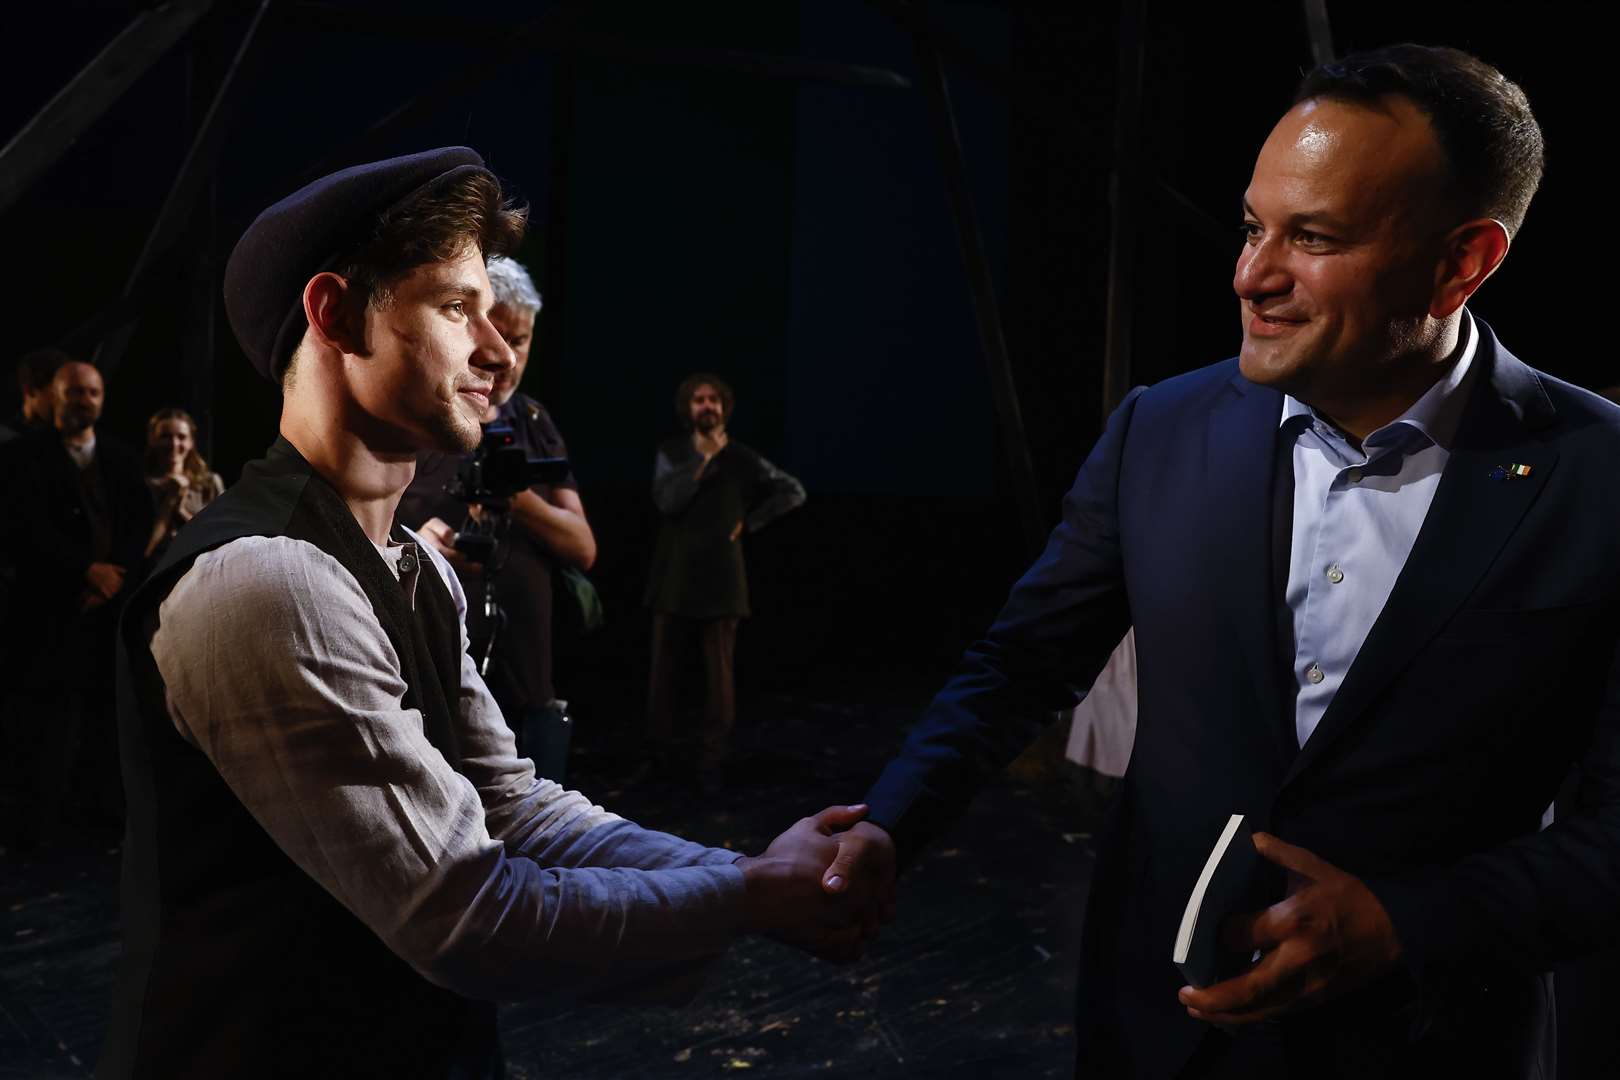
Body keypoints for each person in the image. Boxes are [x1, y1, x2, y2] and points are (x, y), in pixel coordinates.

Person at [821, 45, 1619, 1078]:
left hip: (1433, 1040)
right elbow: (1022, 665)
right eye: (1254, 226)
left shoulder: (1598, 478)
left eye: (1313, 238)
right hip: (1155, 1031)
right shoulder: (1161, 428)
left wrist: (1402, 923)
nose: (1251, 274)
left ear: (1463, 262)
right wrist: (891, 824)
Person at [101, 148, 872, 1080]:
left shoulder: (416, 570)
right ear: (334, 312)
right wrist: (752, 894)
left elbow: (508, 807)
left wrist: (749, 876)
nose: (499, 352)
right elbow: (469, 915)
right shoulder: (266, 582)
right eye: (456, 307)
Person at [401, 255, 594, 776]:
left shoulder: (533, 422)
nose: (506, 356)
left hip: (526, 672)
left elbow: (583, 547)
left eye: (522, 340)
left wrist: (516, 498)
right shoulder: (426, 416)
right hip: (431, 671)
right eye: (495, 334)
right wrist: (414, 545)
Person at [0, 359, 151, 850]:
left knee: (106, 714)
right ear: (53, 397)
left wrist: (112, 578)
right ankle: (37, 827)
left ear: (101, 399)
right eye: (73, 392)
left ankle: (100, 818)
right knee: (45, 720)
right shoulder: (22, 457)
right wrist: (83, 570)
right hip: (48, 607)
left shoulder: (122, 458)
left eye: (91, 392)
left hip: (110, 606)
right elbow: (21, 526)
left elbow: (138, 524)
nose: (82, 400)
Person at [644, 373, 805, 788]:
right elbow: (667, 500)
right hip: (675, 574)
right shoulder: (674, 452)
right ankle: (662, 755)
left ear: (724, 406)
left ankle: (711, 761)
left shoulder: (742, 457)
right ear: (688, 408)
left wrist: (750, 523)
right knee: (666, 671)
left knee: (719, 674)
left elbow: (792, 491)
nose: (707, 406)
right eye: (699, 400)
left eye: (713, 400)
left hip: (723, 576)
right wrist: (701, 463)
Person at [142, 407, 225, 560]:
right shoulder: (142, 485)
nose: (174, 444)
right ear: (152, 439)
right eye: (165, 436)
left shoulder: (210, 483)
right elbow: (143, 551)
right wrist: (169, 501)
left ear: (191, 442)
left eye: (181, 437)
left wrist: (181, 511)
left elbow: (218, 541)